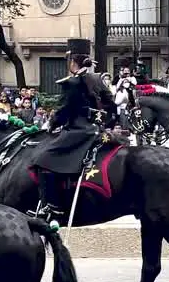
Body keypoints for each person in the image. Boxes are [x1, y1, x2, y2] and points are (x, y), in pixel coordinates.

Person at [29, 38, 116, 224]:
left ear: (72, 61)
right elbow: (112, 106)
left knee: (42, 159)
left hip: (78, 131)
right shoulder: (97, 79)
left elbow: (64, 111)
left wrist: (50, 125)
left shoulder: (72, 83)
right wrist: (102, 122)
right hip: (95, 129)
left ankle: (51, 207)